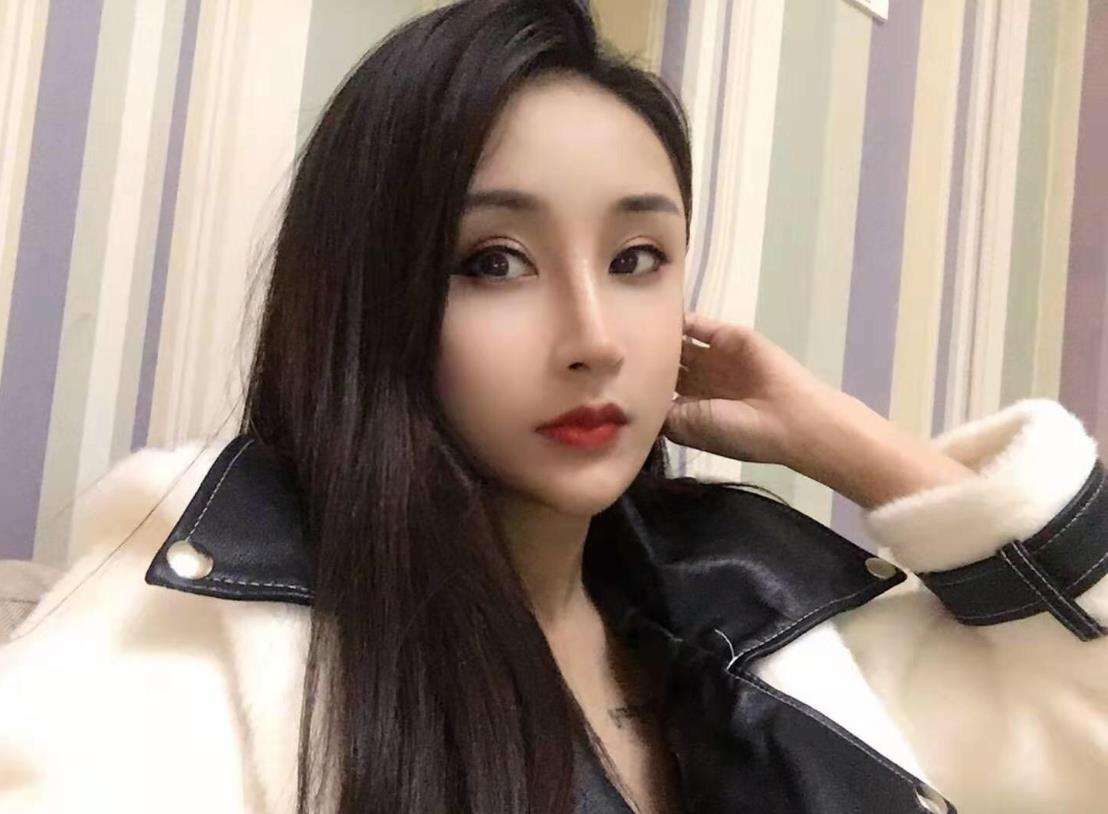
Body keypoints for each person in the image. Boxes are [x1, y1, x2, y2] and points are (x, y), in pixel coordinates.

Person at [1, 1, 1105, 812]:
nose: (593, 337)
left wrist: (849, 441)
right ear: (369, 294)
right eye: (493, 261)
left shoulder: (750, 604)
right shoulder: (202, 631)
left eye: (636, 258)